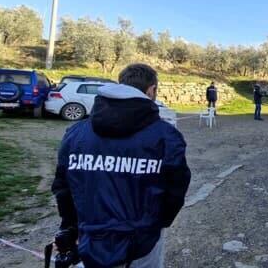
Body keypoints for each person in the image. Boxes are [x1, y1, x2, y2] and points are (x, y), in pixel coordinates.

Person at [51, 63, 191, 268]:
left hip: (90, 236)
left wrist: (71, 226)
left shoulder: (76, 133)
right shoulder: (166, 136)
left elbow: (63, 186)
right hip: (144, 241)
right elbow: (176, 189)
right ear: (152, 90)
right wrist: (159, 223)